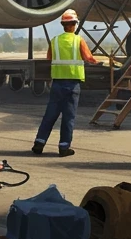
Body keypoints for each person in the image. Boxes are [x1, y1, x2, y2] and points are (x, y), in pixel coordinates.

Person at [32, 9, 97, 158]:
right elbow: (88, 57)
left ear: (63, 25)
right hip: (72, 83)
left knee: (50, 114)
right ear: (74, 25)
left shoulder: (54, 40)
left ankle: (39, 143)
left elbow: (49, 59)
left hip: (57, 83)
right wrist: (98, 62)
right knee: (68, 117)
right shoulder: (78, 40)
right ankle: (63, 147)